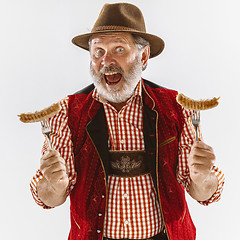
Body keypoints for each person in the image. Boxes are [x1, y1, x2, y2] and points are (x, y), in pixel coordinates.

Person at [30, 3, 224, 240]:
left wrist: (203, 177)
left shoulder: (176, 108)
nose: (106, 61)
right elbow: (50, 198)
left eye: (119, 49)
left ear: (143, 56)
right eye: (98, 51)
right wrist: (53, 185)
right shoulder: (67, 113)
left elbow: (203, 193)